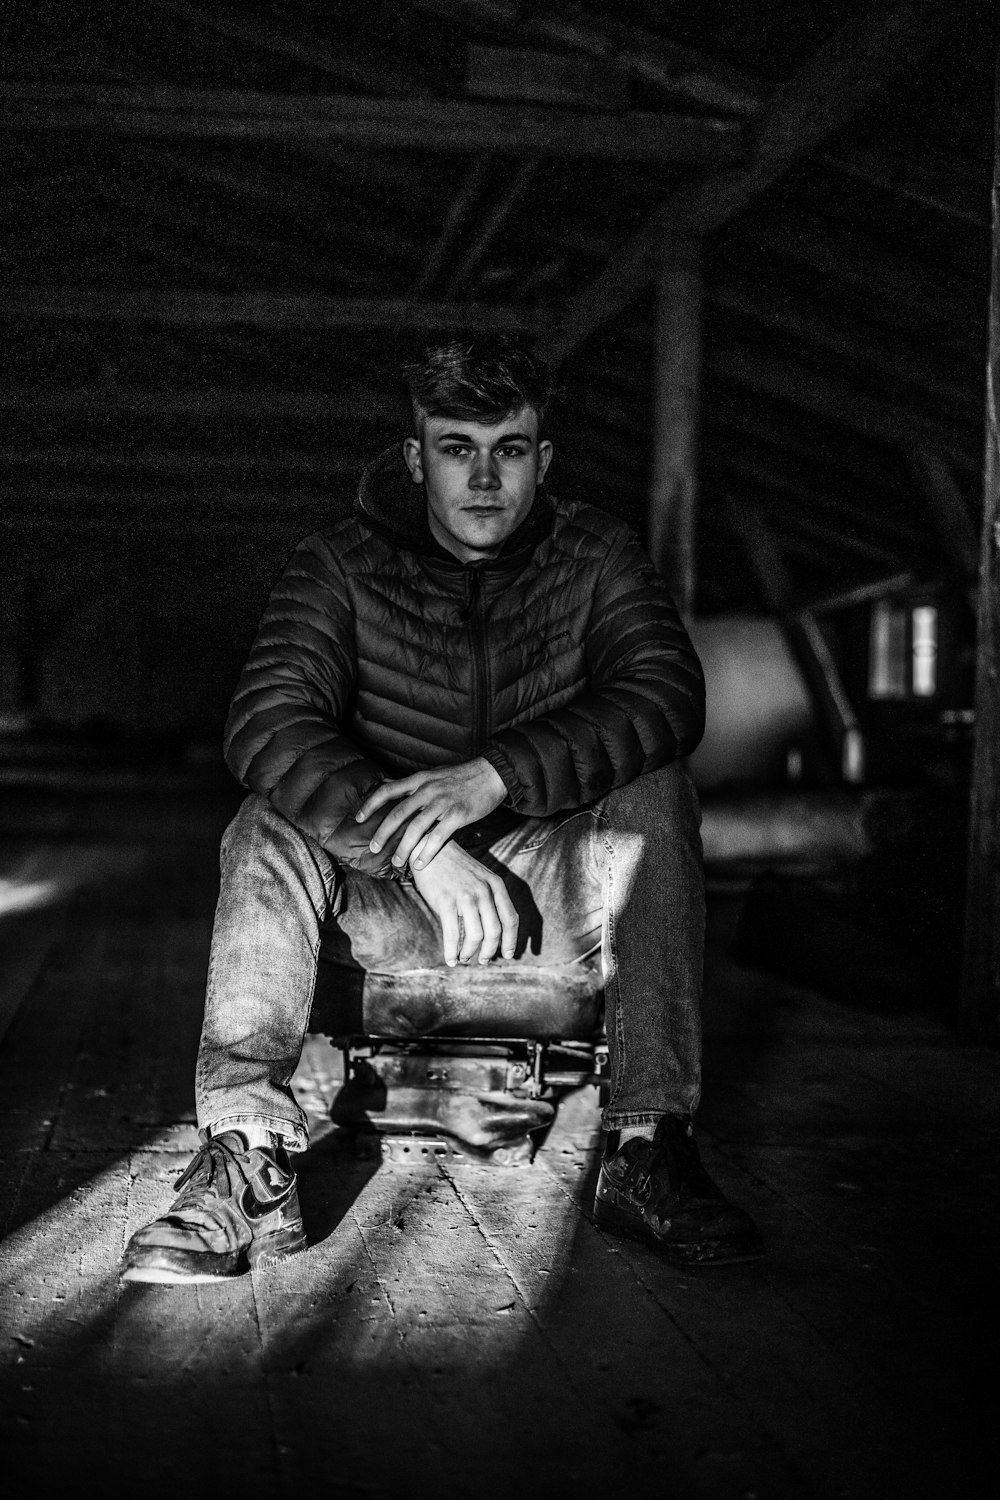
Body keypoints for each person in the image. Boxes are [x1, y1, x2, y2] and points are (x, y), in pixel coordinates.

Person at [121, 337, 764, 1284]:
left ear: (543, 460)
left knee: (655, 788)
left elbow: (666, 694)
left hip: (553, 889)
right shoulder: (337, 565)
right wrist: (418, 847)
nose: (484, 475)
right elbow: (269, 722)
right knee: (264, 822)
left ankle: (645, 1148)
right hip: (387, 902)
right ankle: (246, 1156)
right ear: (418, 456)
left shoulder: (595, 554)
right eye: (457, 446)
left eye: (509, 448)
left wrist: (494, 775)